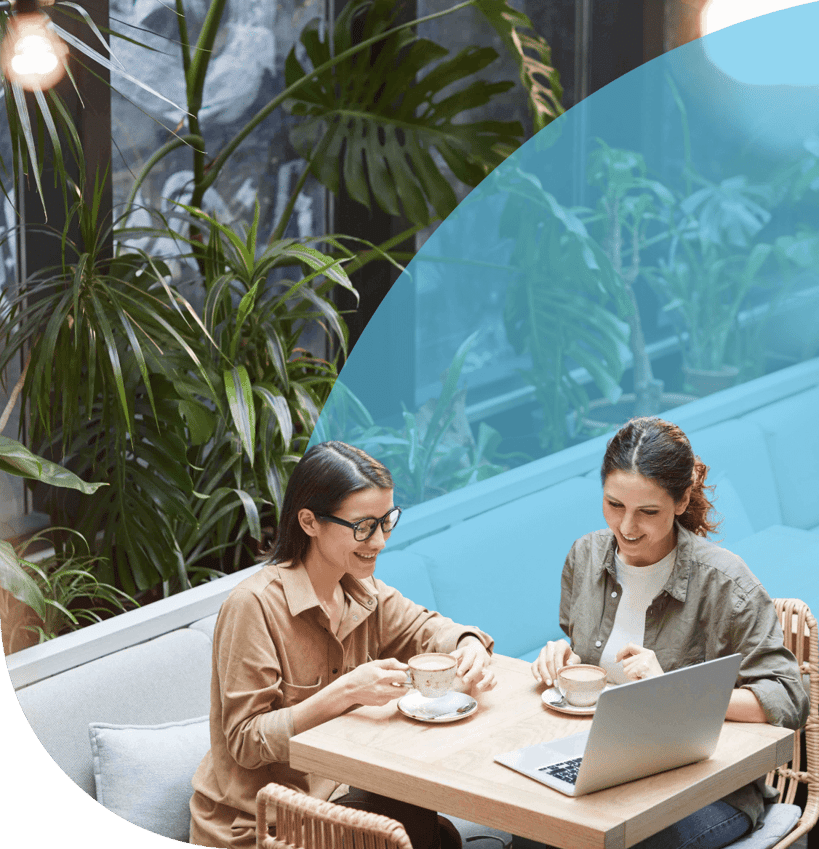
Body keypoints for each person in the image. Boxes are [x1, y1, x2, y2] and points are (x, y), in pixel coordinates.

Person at [189, 440, 496, 849]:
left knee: (426, 821)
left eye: (387, 521)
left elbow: (427, 628)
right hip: (260, 825)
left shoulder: (361, 589)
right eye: (363, 527)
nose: (380, 541)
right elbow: (245, 740)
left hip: (336, 801)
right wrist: (347, 691)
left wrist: (470, 643)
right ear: (309, 521)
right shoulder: (254, 607)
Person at [530, 417, 809, 849]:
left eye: (648, 511)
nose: (626, 527)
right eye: (614, 505)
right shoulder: (585, 557)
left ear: (681, 501)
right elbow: (587, 658)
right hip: (610, 770)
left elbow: (790, 699)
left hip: (711, 788)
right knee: (532, 830)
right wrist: (562, 660)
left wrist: (674, 690)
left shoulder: (725, 583)